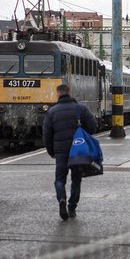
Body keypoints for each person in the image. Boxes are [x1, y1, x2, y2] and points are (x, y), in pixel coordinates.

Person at [43, 84, 98, 220]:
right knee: (76, 179)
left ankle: (61, 198)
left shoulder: (52, 112)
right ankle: (72, 208)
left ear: (58, 94)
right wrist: (82, 137)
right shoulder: (81, 109)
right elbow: (93, 127)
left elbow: (46, 135)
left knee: (60, 179)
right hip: (78, 151)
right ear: (69, 93)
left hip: (60, 151)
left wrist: (51, 151)